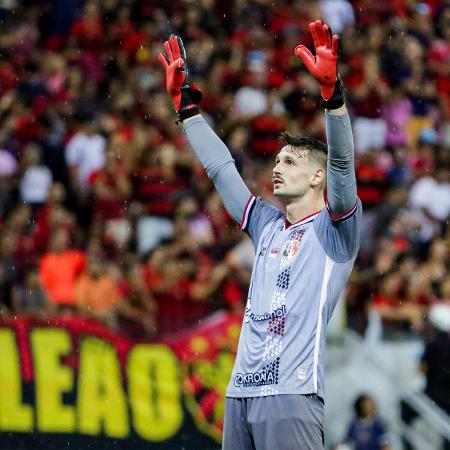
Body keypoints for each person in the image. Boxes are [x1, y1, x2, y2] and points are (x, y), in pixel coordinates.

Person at [159, 20, 361, 450]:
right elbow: (221, 170)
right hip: (239, 394)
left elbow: (343, 164)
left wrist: (333, 98)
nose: (277, 167)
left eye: (290, 162)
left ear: (316, 178)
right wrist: (186, 110)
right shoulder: (266, 224)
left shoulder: (336, 229)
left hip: (292, 393)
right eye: (277, 160)